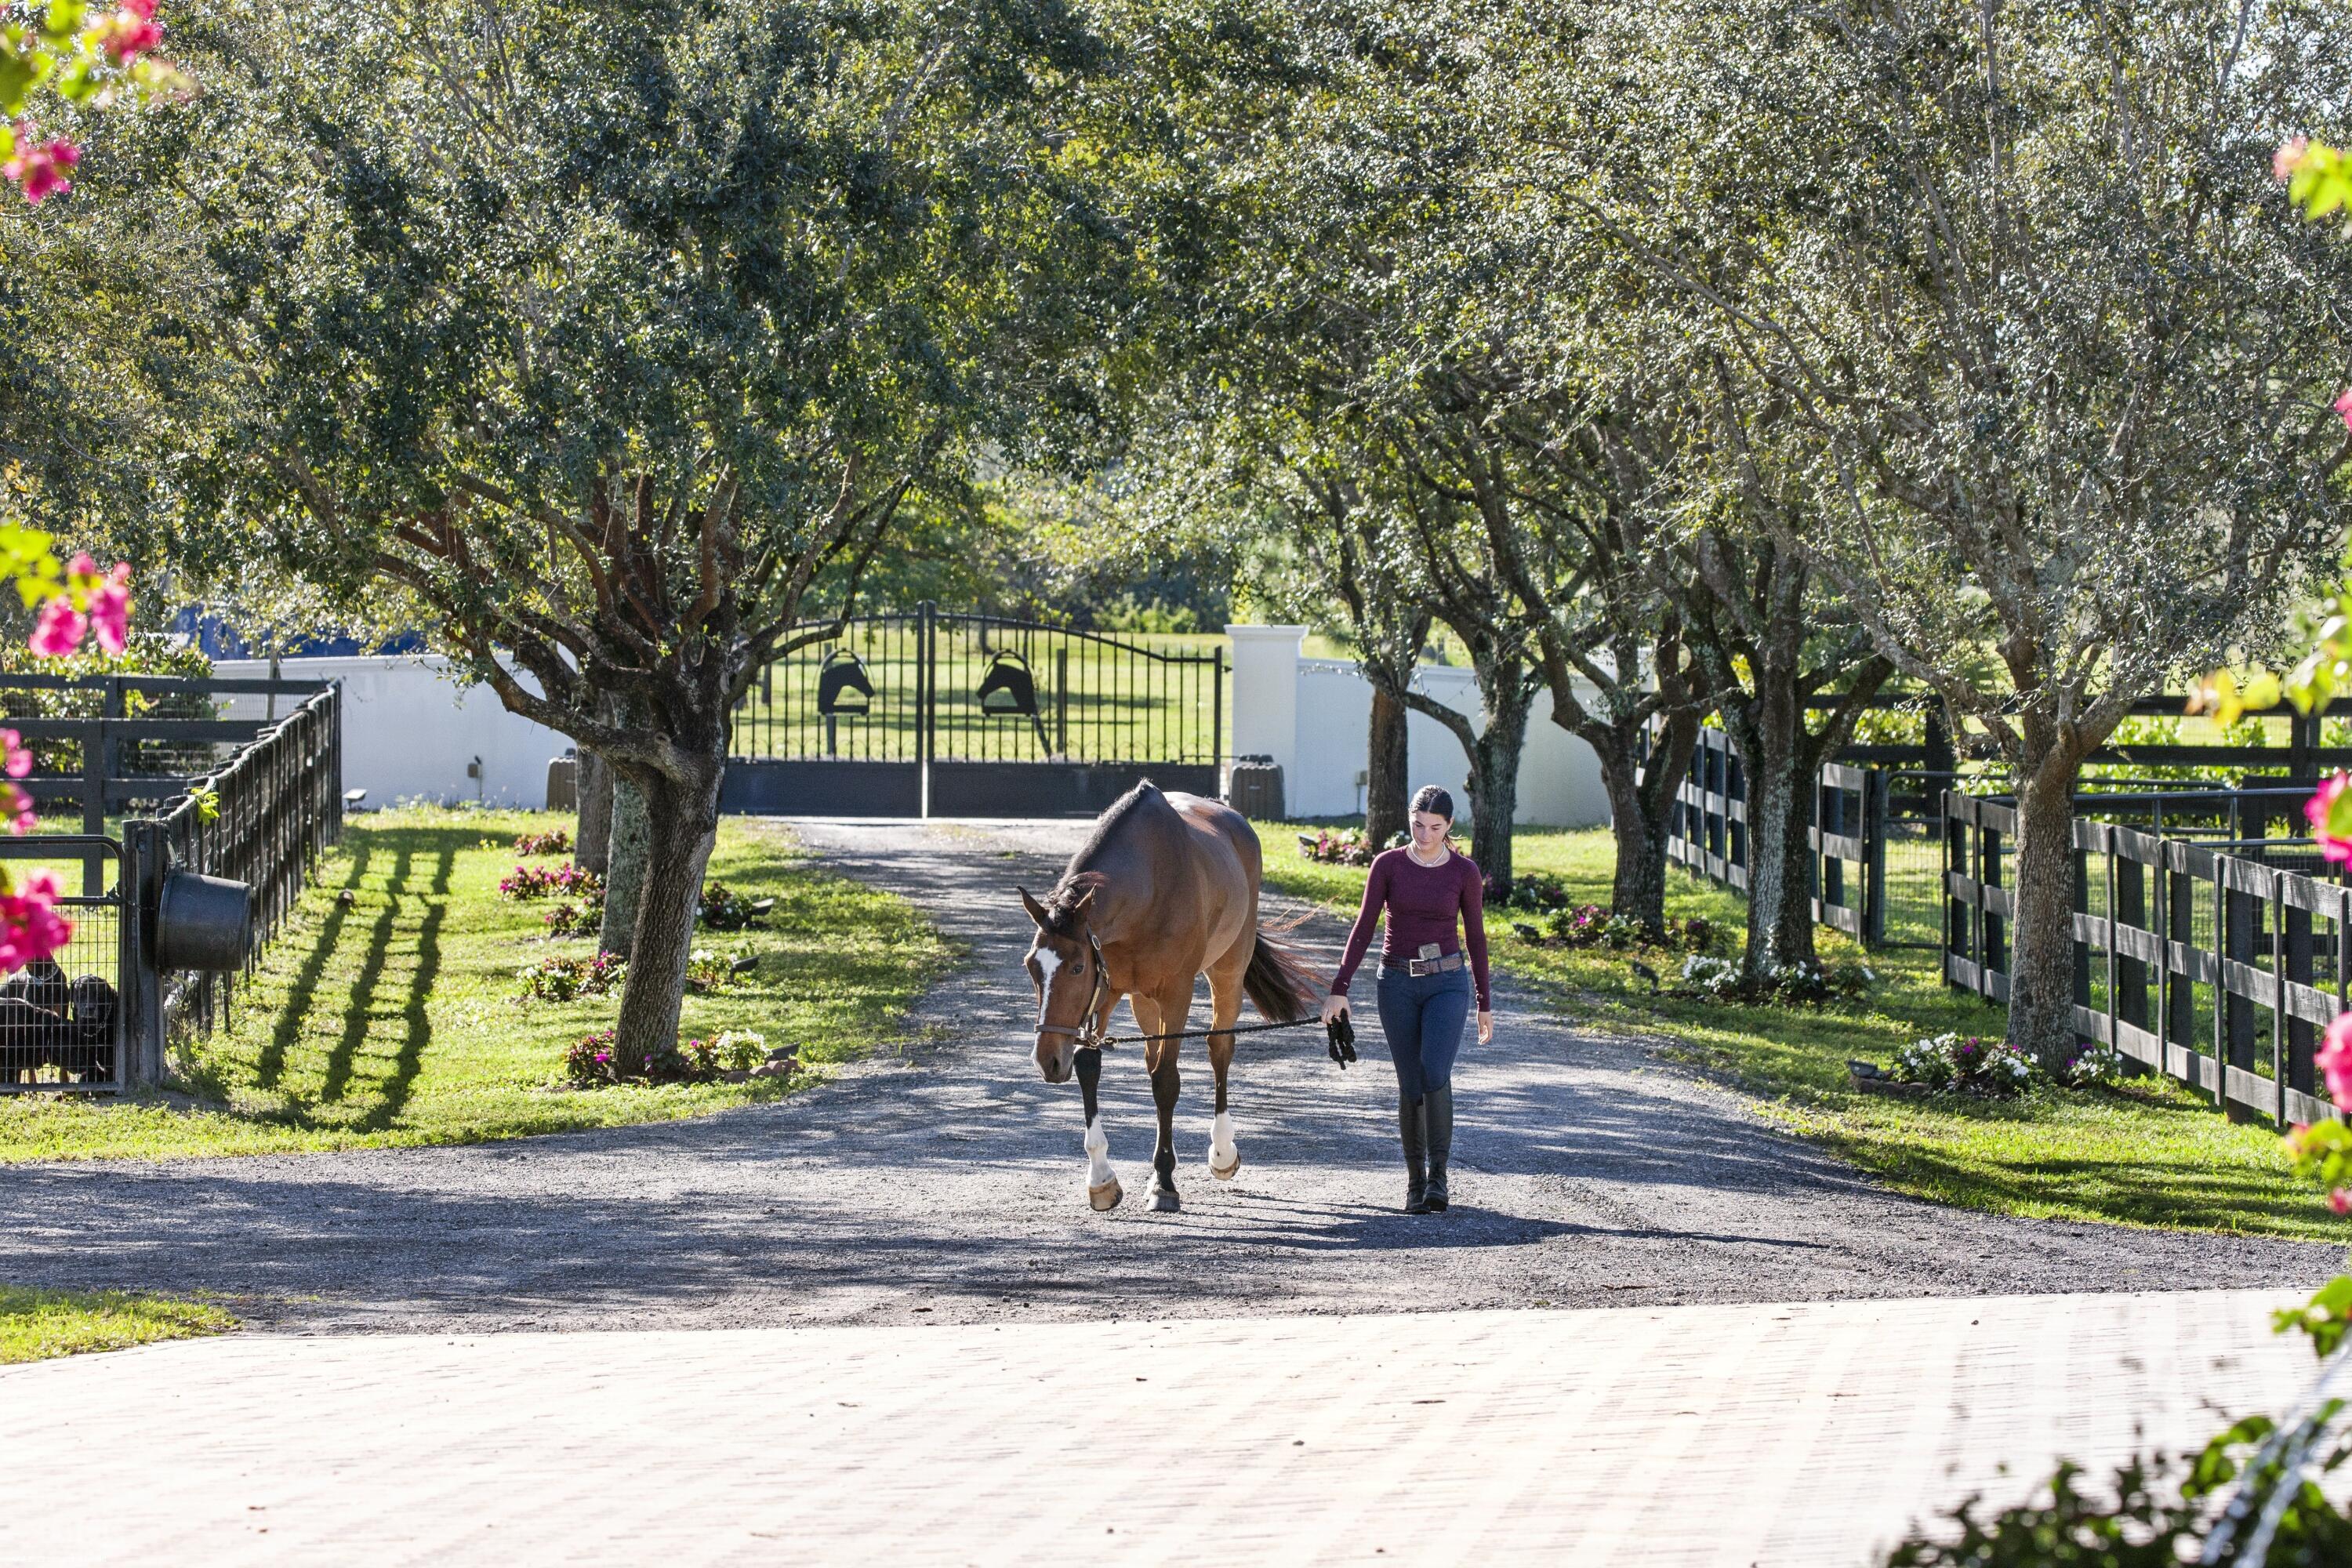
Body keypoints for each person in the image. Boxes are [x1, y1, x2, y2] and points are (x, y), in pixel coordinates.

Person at [1320, 785, 1492, 1213]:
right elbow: (1363, 928)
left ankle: (1439, 1177)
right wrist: (1339, 988)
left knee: (1435, 1070)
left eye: (1435, 827)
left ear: (1450, 825)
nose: (1425, 834)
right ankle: (1415, 1182)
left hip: (1448, 983)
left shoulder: (1464, 872)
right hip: (1395, 983)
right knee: (1410, 1081)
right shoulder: (1388, 865)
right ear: (1409, 819)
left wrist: (1484, 1001)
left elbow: (1475, 936)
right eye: (1417, 825)